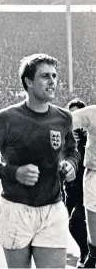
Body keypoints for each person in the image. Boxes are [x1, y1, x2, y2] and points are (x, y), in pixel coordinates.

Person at [0, 53, 79, 268]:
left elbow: (72, 150)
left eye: (54, 76)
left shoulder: (63, 118)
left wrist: (71, 164)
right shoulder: (6, 118)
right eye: (45, 76)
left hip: (52, 208)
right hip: (16, 210)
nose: (52, 81)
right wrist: (14, 172)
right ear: (29, 82)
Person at [71, 104, 96, 268]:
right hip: (94, 172)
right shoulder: (92, 113)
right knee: (89, 223)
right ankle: (92, 255)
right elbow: (63, 121)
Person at [65, 98, 88, 268]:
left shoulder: (91, 137)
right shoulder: (65, 137)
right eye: (72, 114)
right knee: (67, 223)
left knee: (76, 222)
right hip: (69, 190)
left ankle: (87, 253)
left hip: (86, 189)